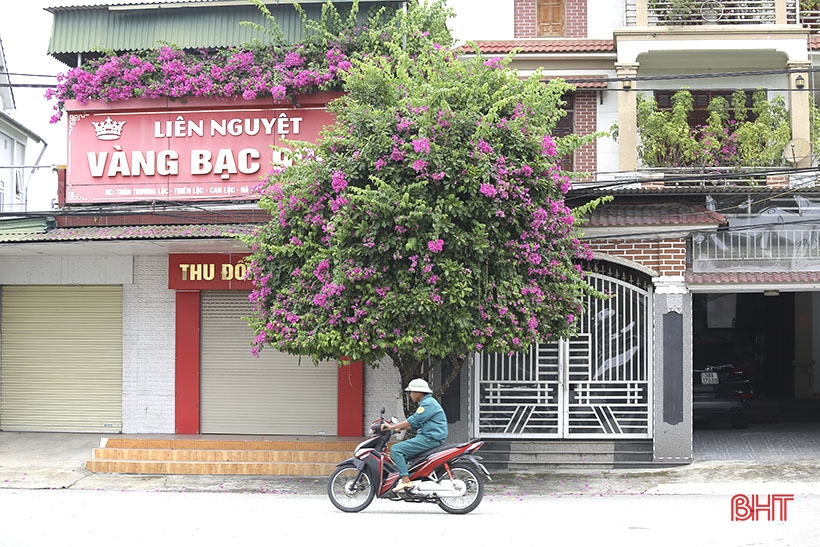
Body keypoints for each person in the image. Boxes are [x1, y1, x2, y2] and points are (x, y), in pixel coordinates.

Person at [381, 378, 448, 493]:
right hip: (428, 437)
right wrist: (397, 429)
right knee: (404, 456)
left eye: (412, 392)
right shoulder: (427, 403)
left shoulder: (427, 404)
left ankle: (406, 480)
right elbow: (415, 425)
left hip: (430, 438)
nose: (410, 395)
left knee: (396, 449)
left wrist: (391, 427)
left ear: (419, 393)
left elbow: (412, 420)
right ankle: (412, 478)